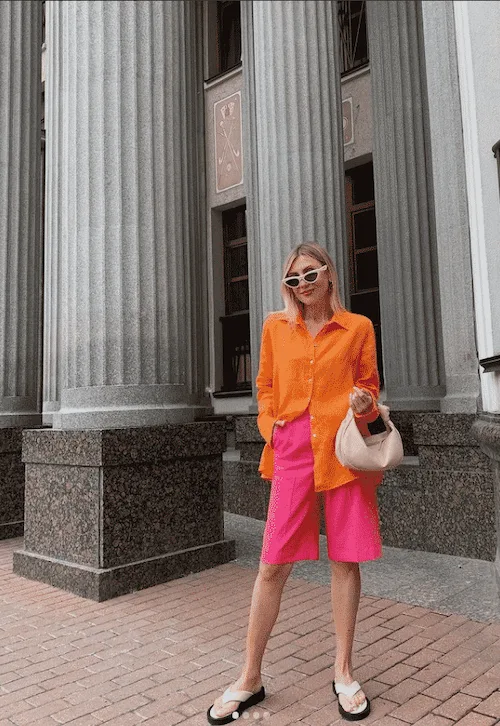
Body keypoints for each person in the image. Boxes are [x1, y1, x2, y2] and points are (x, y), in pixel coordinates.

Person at [207, 242, 383, 724]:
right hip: (291, 453)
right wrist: (270, 427)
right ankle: (250, 677)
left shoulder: (357, 328)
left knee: (345, 560)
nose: (302, 285)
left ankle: (344, 671)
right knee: (271, 566)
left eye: (310, 274)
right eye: (293, 279)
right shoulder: (274, 328)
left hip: (344, 453)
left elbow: (370, 382)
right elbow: (264, 387)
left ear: (328, 274)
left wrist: (365, 400)